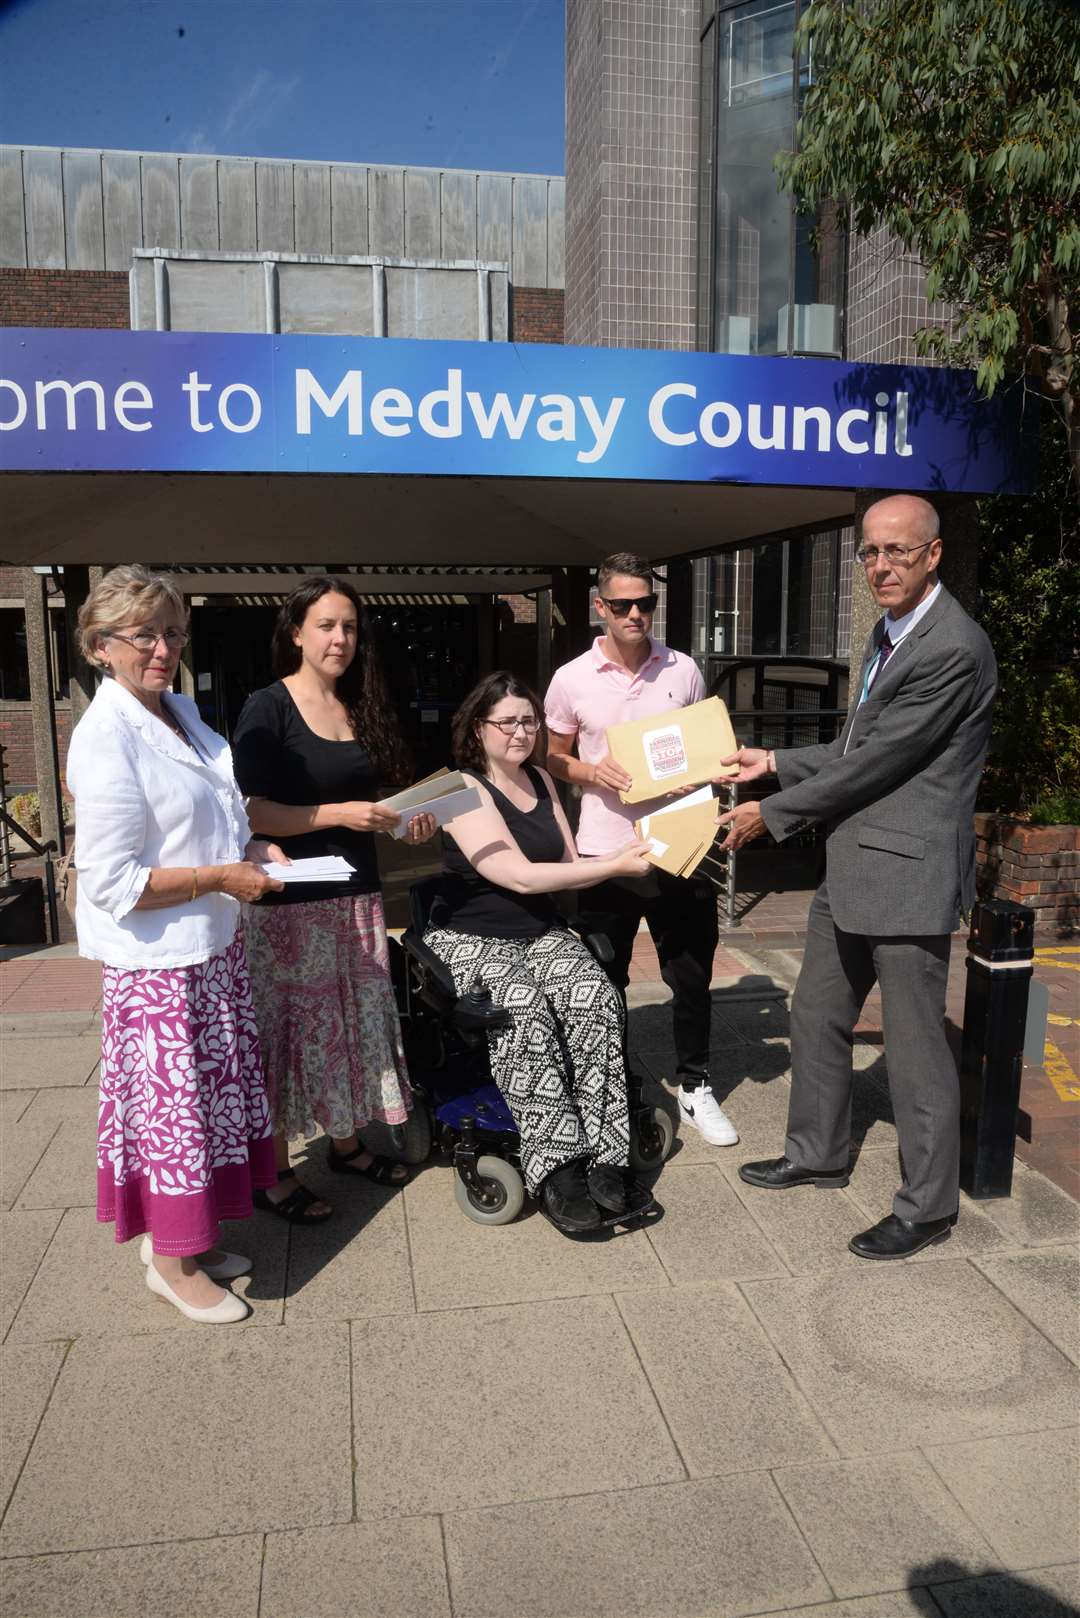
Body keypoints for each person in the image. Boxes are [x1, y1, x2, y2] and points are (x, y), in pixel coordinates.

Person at [719, 494, 997, 1260]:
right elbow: (854, 744)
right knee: (814, 1015)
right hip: (851, 867)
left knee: (913, 1051)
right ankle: (817, 1153)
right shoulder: (888, 633)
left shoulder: (952, 646)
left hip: (907, 880)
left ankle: (928, 1206)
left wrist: (770, 813)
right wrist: (772, 761)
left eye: (897, 552)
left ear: (933, 555)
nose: (880, 566)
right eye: (870, 552)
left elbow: (882, 763)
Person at [68, 564, 286, 1326]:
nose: (162, 648)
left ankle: (186, 1239)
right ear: (100, 647)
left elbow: (210, 812)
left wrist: (252, 847)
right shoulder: (104, 739)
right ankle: (169, 1261)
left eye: (171, 632)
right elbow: (111, 880)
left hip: (208, 947)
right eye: (143, 636)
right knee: (175, 1118)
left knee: (206, 1105)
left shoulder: (178, 711)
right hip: (157, 965)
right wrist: (222, 874)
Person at [231, 576, 436, 1223]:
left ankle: (345, 1146)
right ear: (295, 632)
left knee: (346, 1032)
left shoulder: (359, 706)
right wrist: (336, 813)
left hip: (356, 899)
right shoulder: (268, 706)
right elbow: (250, 809)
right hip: (290, 908)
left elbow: (374, 808)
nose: (340, 638)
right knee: (287, 1040)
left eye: (349, 626)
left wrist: (408, 821)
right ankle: (273, 1171)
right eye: (326, 625)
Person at [423, 672, 652, 1232]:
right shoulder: (458, 788)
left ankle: (608, 1154)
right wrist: (617, 866)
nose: (520, 732)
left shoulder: (543, 782)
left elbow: (568, 865)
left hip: (539, 930)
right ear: (478, 729)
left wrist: (632, 847)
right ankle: (557, 1167)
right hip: (471, 936)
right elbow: (519, 876)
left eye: (529, 720)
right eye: (507, 722)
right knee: (523, 1006)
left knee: (594, 995)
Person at [544, 552, 736, 1148]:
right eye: (621, 604)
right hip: (606, 851)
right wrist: (591, 773)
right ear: (599, 607)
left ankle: (694, 1085)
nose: (635, 614)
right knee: (605, 977)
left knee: (691, 973)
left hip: (681, 842)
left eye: (645, 603)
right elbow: (550, 756)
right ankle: (608, 1084)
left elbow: (702, 749)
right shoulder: (571, 678)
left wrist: (703, 776)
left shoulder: (682, 668)